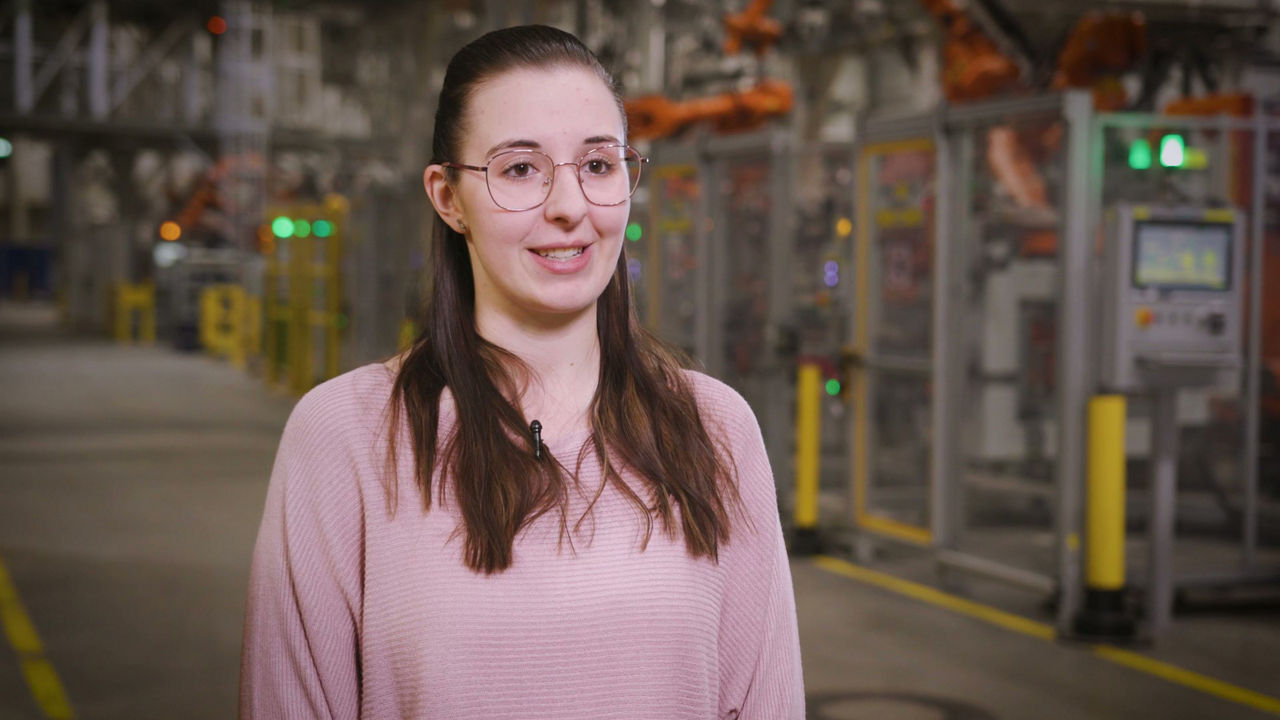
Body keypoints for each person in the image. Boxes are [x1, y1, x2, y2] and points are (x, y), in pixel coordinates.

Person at [239, 24, 803, 720]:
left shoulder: (714, 429)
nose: (568, 206)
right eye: (519, 169)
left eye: (598, 165)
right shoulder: (345, 439)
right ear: (448, 197)